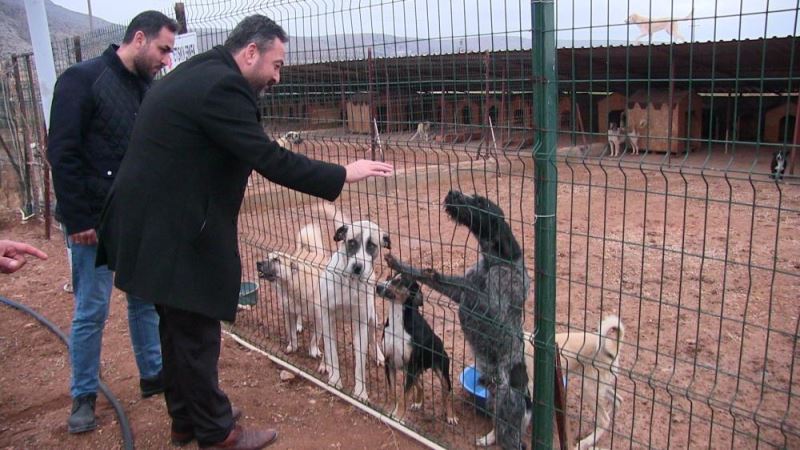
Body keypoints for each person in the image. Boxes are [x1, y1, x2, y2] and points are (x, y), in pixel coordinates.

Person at [96, 15, 393, 449]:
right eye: (275, 64)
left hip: (150, 221)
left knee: (176, 326)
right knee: (196, 329)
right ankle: (218, 434)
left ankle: (187, 419)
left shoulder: (203, 70)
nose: (277, 75)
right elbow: (267, 157)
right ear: (250, 52)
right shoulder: (223, 87)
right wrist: (342, 173)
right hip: (172, 229)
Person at [46, 11, 178, 434]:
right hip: (92, 221)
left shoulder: (146, 89)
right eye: (162, 49)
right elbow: (62, 152)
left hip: (135, 217)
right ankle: (83, 394)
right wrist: (79, 216)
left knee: (143, 299)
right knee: (92, 308)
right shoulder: (82, 80)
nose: (165, 60)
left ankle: (153, 374)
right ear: (138, 39)